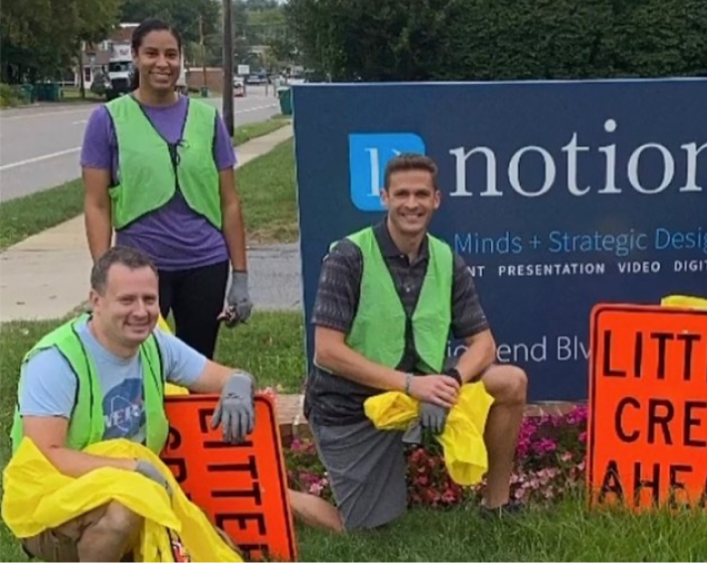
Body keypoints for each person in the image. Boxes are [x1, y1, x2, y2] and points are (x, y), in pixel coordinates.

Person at [290, 153, 529, 533]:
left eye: (422, 194)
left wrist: (447, 383)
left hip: (421, 399)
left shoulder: (447, 259)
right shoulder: (348, 256)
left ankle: (496, 505)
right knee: (362, 530)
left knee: (511, 382)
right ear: (384, 197)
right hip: (353, 408)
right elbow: (327, 351)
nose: (411, 204)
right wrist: (412, 385)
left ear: (437, 199)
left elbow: (484, 344)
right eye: (402, 194)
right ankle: (278, 494)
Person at [8, 246, 257, 561]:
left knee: (212, 544)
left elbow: (222, 376)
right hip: (52, 502)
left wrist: (238, 385)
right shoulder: (56, 361)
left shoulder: (154, 343)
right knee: (124, 510)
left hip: (136, 484)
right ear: (95, 301)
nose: (141, 312)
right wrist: (132, 470)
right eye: (127, 300)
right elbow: (47, 456)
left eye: (149, 300)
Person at [81, 18, 253, 360]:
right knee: (138, 363)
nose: (163, 63)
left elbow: (229, 202)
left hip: (205, 263)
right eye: (151, 53)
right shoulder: (108, 120)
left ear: (181, 59)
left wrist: (241, 276)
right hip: (139, 267)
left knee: (196, 364)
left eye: (171, 55)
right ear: (135, 56)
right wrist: (104, 276)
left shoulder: (207, 119)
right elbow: (97, 204)